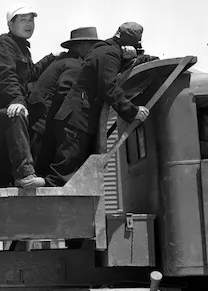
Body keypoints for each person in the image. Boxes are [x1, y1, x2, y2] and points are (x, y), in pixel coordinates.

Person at [44, 21, 150, 187]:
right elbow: (109, 87)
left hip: (77, 119)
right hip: (77, 121)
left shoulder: (106, 51)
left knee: (75, 175)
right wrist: (132, 111)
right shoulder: (109, 54)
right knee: (63, 176)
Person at [0, 4, 55, 189]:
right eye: (23, 20)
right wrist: (17, 101)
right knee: (16, 115)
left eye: (31, 20)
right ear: (10, 24)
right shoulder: (3, 44)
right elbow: (6, 76)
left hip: (10, 107)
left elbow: (31, 73)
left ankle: (5, 176)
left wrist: (52, 57)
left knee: (35, 116)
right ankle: (25, 174)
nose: (29, 24)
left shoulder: (22, 48)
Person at [28, 27, 102, 169]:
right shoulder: (74, 65)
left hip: (38, 125)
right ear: (84, 46)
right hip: (42, 127)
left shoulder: (64, 60)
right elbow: (65, 94)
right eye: (93, 46)